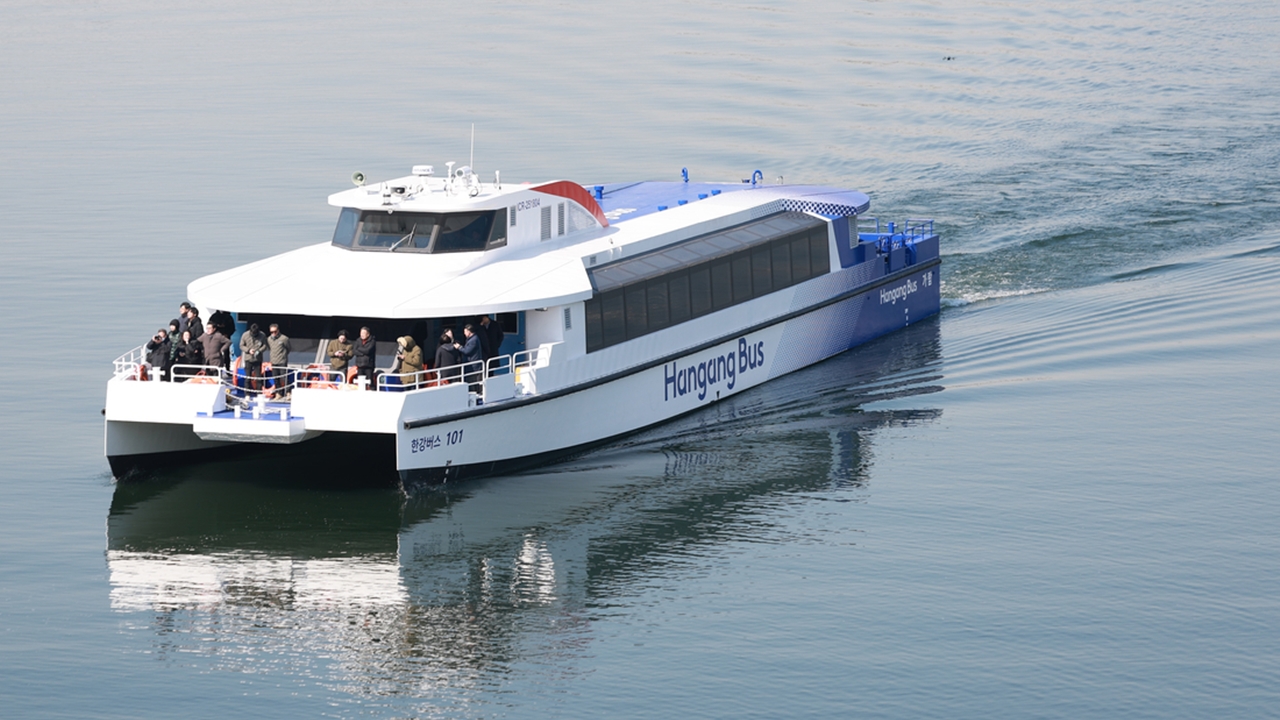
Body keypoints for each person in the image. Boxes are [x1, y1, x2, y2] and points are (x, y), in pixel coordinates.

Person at [240, 323, 268, 391]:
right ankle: (247, 393)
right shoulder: (245, 335)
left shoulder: (262, 335)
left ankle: (259, 392)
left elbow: (265, 345)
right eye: (253, 333)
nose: (254, 335)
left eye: (255, 334)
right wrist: (248, 350)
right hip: (248, 359)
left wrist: (259, 351)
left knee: (258, 377)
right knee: (248, 377)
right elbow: (241, 346)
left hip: (258, 359)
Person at [266, 323, 291, 393]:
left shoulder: (284, 338)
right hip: (273, 361)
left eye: (275, 331)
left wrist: (283, 355)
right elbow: (270, 348)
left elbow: (288, 348)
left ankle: (288, 392)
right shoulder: (269, 339)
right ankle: (279, 393)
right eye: (271, 332)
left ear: (278, 330)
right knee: (276, 378)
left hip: (282, 361)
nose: (273, 333)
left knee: (284, 377)